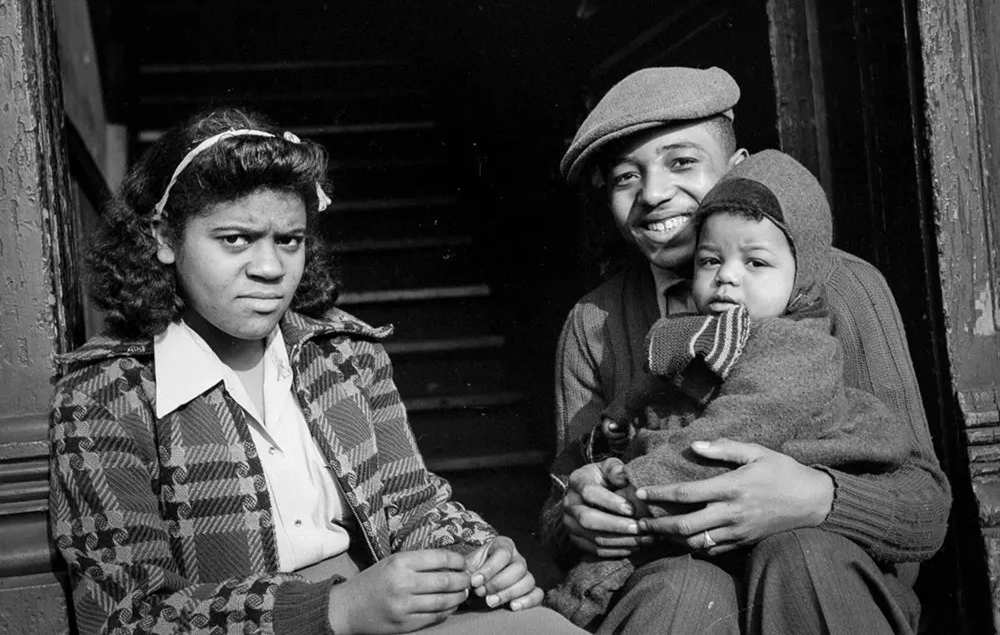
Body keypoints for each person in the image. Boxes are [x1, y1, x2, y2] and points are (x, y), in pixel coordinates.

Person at [49, 108, 587, 635]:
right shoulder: (105, 394)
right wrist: (338, 610)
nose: (270, 268)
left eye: (290, 240)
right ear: (165, 239)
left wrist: (477, 553)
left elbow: (414, 505)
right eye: (235, 239)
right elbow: (126, 617)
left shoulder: (345, 354)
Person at [540, 67, 951, 634]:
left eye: (682, 162)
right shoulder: (594, 322)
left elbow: (926, 506)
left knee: (802, 556)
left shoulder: (845, 286)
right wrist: (577, 516)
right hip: (667, 582)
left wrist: (818, 499)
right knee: (680, 587)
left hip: (818, 582)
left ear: (739, 171)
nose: (654, 194)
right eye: (625, 178)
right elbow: (563, 499)